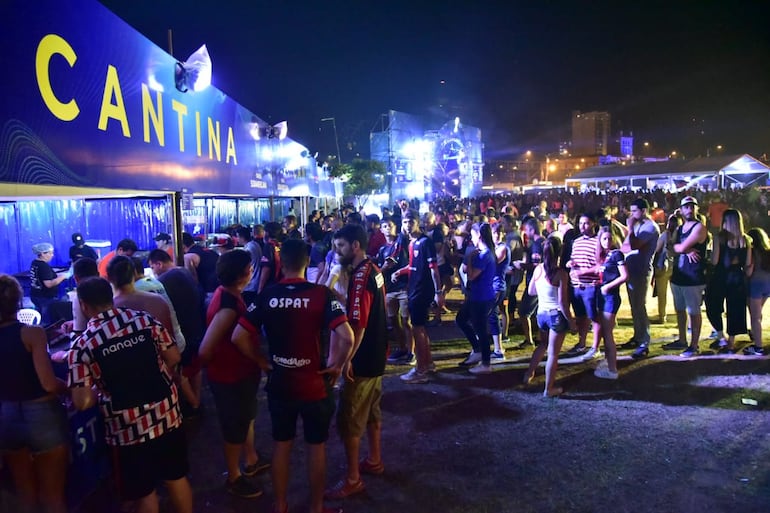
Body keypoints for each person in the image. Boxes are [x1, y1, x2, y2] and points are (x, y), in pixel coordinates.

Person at [232, 238, 351, 513]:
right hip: (314, 385)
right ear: (307, 262)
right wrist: (337, 365)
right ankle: (316, 507)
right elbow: (347, 334)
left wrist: (262, 361)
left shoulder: (268, 295)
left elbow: (239, 335)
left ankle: (280, 504)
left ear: (281, 263)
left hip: (281, 383)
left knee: (281, 445)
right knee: (316, 446)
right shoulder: (322, 295)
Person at [68, 277, 192, 513]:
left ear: (83, 305)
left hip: (128, 430)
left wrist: (101, 389)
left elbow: (81, 401)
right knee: (176, 478)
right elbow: (174, 358)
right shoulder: (144, 320)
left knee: (144, 491)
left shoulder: (83, 345)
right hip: (166, 414)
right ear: (109, 297)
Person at [198, 249, 269, 499]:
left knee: (245, 418)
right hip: (229, 376)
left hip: (239, 374)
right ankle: (233, 476)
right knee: (233, 428)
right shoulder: (227, 306)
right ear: (244, 274)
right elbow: (205, 350)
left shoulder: (228, 294)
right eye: (250, 268)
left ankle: (251, 460)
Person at [325, 224, 388, 500]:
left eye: (340, 246)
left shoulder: (361, 276)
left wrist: (345, 360)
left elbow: (358, 325)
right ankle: (374, 460)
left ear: (355, 246)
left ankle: (353, 478)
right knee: (372, 412)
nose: (336, 251)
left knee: (350, 418)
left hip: (362, 359)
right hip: (377, 354)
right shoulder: (373, 270)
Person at [0, 274, 69, 513]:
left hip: (6, 414)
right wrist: (69, 387)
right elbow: (49, 383)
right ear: (17, 302)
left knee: (25, 495)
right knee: (52, 497)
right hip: (41, 415)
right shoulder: (31, 333)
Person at [148, 249, 205, 415]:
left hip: (183, 332)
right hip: (196, 327)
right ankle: (198, 399)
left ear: (159, 263)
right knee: (195, 367)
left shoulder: (164, 281)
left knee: (181, 371)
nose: (153, 271)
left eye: (153, 267)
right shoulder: (185, 272)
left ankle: (194, 404)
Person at [393, 210, 444, 384]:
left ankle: (421, 369)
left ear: (417, 222)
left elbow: (433, 269)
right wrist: (400, 271)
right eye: (405, 221)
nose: (407, 225)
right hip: (414, 289)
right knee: (420, 329)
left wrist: (438, 293)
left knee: (417, 329)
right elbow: (413, 266)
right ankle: (428, 363)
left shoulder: (425, 242)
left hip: (422, 291)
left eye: (410, 221)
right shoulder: (412, 242)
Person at [523, 237, 576, 397]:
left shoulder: (538, 269)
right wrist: (572, 323)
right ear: (560, 251)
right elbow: (563, 303)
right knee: (553, 354)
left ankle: (529, 373)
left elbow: (531, 291)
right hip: (556, 316)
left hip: (541, 314)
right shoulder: (561, 273)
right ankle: (549, 389)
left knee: (542, 345)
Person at [662, 196, 708, 357]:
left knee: (693, 312)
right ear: (681, 210)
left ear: (696, 208)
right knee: (680, 311)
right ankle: (682, 340)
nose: (689, 209)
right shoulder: (680, 229)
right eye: (686, 207)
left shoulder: (699, 228)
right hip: (678, 276)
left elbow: (678, 246)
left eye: (692, 206)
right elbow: (670, 249)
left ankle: (694, 345)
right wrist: (685, 249)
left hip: (693, 277)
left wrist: (681, 248)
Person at [704, 209, 751, 353]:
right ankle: (731, 342)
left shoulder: (719, 238)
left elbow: (715, 260)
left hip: (720, 276)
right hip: (737, 277)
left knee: (712, 306)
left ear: (724, 221)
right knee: (735, 309)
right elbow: (748, 263)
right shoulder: (746, 240)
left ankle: (720, 336)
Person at [619, 198, 660, 359]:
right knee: (634, 307)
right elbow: (625, 247)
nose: (632, 214)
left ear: (644, 210)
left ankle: (644, 341)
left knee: (640, 306)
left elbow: (634, 245)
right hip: (632, 269)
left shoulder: (650, 227)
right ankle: (637, 337)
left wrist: (629, 229)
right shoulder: (638, 225)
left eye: (635, 211)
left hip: (641, 271)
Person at [456, 223, 498, 374]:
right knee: (461, 319)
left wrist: (469, 258)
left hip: (482, 297)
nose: (471, 239)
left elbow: (471, 276)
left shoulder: (484, 254)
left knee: (480, 329)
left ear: (479, 236)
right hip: (477, 296)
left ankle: (486, 363)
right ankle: (477, 350)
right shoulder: (484, 253)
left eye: (472, 235)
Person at [376, 217, 414, 365]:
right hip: (390, 289)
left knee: (406, 321)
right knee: (393, 319)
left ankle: (411, 352)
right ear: (381, 229)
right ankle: (402, 347)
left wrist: (404, 211)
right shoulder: (382, 249)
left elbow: (405, 233)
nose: (387, 228)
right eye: (384, 226)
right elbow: (380, 270)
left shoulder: (401, 242)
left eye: (390, 226)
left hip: (403, 288)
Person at [592, 225, 628, 379]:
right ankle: (609, 363)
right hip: (602, 296)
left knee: (608, 334)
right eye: (604, 238)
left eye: (609, 238)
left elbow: (625, 276)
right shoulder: (604, 255)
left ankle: (612, 370)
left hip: (610, 297)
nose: (607, 241)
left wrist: (607, 286)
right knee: (605, 333)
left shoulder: (617, 254)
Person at [565, 214, 601, 356]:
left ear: (593, 224)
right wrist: (570, 264)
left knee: (594, 317)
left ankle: (595, 347)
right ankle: (581, 343)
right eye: (580, 223)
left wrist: (583, 272)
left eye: (586, 223)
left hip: (591, 285)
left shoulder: (598, 242)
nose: (582, 226)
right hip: (576, 286)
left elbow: (600, 265)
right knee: (580, 316)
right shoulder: (577, 241)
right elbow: (574, 259)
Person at [512, 217, 544, 349]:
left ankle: (529, 340)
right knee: (537, 311)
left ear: (532, 229)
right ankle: (540, 337)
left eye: (527, 230)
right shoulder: (543, 242)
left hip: (535, 282)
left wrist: (522, 266)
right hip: (541, 282)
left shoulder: (537, 244)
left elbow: (536, 265)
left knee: (524, 312)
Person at [745, 227, 770, 355]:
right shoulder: (767, 251)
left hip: (755, 284)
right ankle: (755, 334)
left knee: (755, 317)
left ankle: (758, 347)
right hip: (768, 284)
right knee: (757, 312)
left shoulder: (752, 251)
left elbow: (749, 271)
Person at [29, 242, 68, 324]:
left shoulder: (35, 263)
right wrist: (63, 277)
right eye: (50, 253)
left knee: (39, 318)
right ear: (43, 254)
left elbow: (42, 276)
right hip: (45, 298)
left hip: (35, 295)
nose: (52, 255)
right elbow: (48, 284)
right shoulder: (44, 266)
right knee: (46, 322)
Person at [652, 214, 680, 324]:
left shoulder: (664, 235)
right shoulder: (680, 235)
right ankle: (679, 317)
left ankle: (662, 316)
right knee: (677, 295)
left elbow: (657, 250)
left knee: (662, 294)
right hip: (677, 267)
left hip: (663, 267)